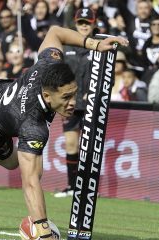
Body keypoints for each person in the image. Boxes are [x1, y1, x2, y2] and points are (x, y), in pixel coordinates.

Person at [0, 25, 128, 240]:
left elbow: (55, 32)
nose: (72, 103)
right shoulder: (33, 125)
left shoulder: (50, 64)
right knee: (13, 163)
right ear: (47, 96)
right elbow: (29, 181)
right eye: (66, 98)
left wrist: (95, 45)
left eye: (74, 94)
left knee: (33, 166)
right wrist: (44, 232)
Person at [54, 7, 95, 198]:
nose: (84, 26)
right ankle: (72, 187)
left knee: (89, 149)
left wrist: (94, 93)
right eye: (81, 22)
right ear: (76, 24)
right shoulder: (67, 48)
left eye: (87, 22)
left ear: (93, 24)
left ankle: (88, 189)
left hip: (92, 106)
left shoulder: (98, 47)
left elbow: (108, 78)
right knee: (71, 146)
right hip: (71, 104)